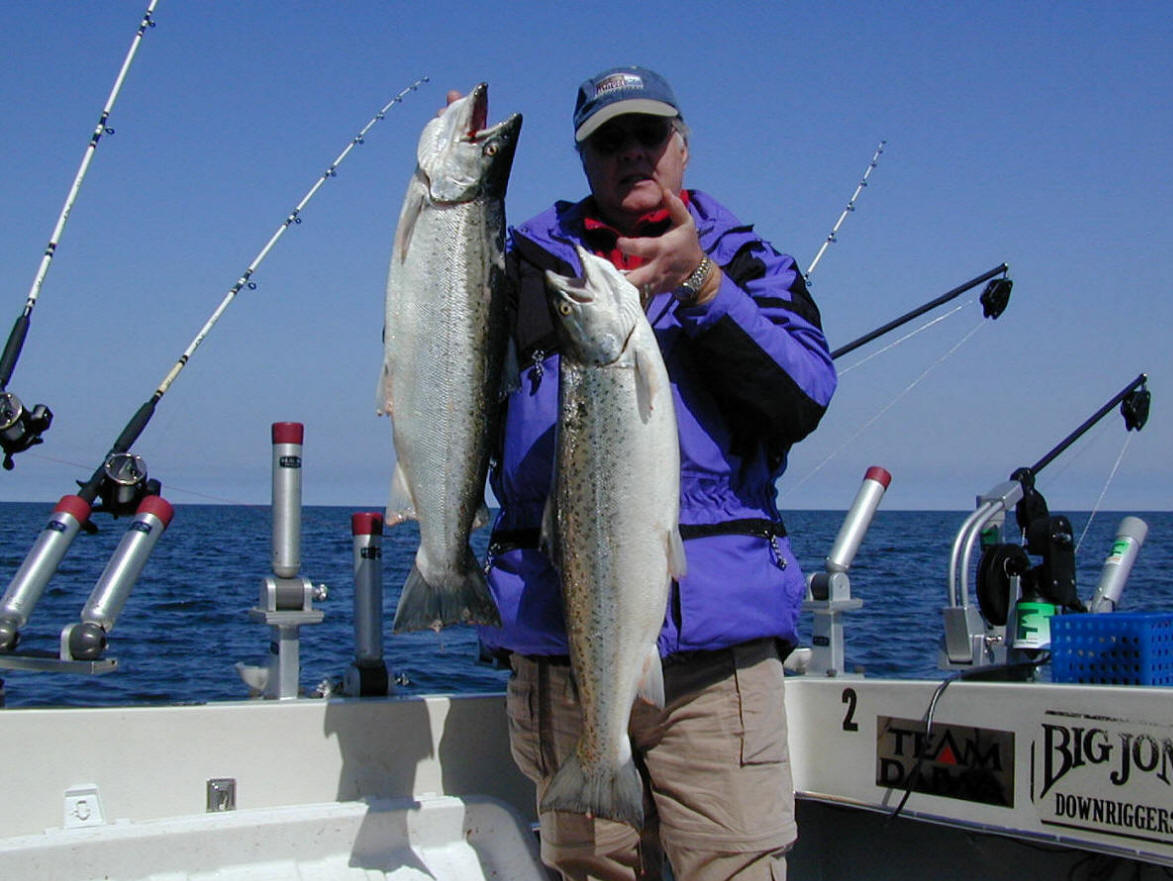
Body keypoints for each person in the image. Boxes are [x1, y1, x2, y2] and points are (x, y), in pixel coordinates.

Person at [477, 66, 837, 881]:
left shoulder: (749, 263)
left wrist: (701, 281)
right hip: (561, 652)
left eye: (649, 133)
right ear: (583, 157)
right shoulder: (524, 270)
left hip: (715, 662)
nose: (632, 151)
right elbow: (448, 382)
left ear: (682, 145)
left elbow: (804, 396)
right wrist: (450, 215)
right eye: (610, 139)